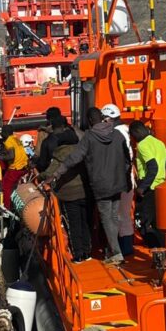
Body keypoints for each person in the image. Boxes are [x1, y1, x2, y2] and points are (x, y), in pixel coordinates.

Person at [51, 107, 130, 265]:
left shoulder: (89, 137)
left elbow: (74, 158)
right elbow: (127, 159)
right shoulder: (118, 134)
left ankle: (116, 253)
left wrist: (57, 173)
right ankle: (113, 250)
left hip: (101, 184)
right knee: (113, 217)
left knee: (106, 218)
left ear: (90, 120)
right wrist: (124, 177)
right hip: (118, 181)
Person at [37, 110, 91, 261]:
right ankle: (88, 251)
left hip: (68, 194)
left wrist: (39, 176)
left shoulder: (58, 156)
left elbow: (48, 173)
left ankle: (78, 254)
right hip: (84, 191)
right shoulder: (81, 152)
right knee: (85, 221)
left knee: (74, 224)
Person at [129, 121, 166, 247]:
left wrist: (141, 188)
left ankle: (156, 249)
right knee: (157, 222)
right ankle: (164, 249)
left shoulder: (142, 145)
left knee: (140, 222)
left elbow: (153, 167)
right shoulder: (159, 143)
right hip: (160, 188)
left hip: (148, 189)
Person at [102, 103, 136, 258]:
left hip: (122, 181)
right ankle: (127, 246)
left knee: (119, 215)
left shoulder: (115, 134)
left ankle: (123, 248)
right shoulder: (126, 130)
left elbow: (124, 159)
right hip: (129, 179)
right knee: (125, 215)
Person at [0, 124, 28, 209]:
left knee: (5, 186)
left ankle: (6, 208)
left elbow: (11, 156)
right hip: (24, 166)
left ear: (5, 133)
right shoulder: (14, 138)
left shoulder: (9, 142)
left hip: (16, 168)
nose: (1, 133)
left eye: (2, 132)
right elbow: (1, 141)